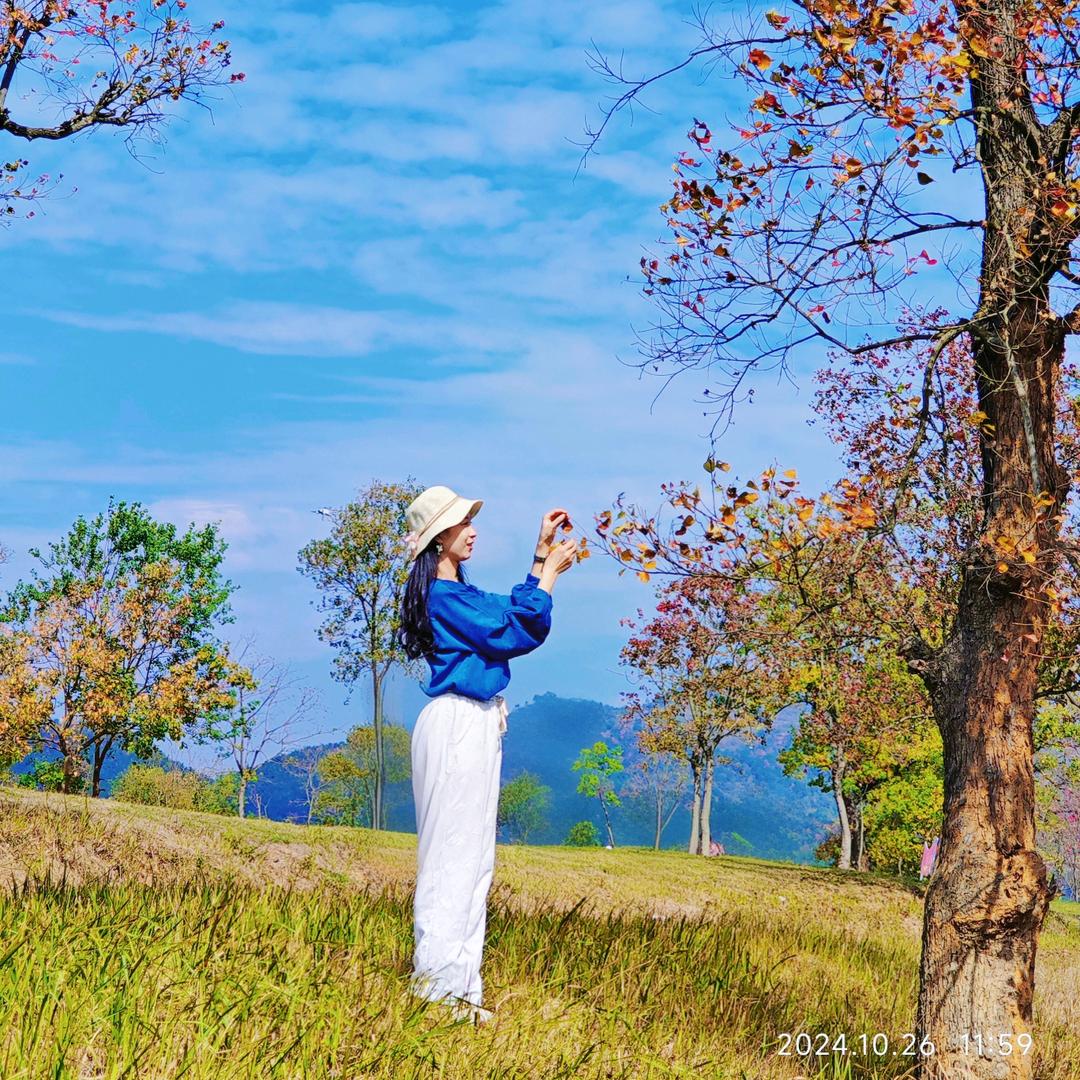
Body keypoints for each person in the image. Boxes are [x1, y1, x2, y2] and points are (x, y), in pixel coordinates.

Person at [397, 485, 577, 1026]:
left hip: (472, 722)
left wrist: (540, 559)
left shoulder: (458, 592)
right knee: (454, 856)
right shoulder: (445, 597)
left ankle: (458, 990)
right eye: (462, 524)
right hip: (458, 724)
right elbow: (512, 633)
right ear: (439, 539)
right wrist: (550, 576)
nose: (472, 531)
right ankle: (438, 991)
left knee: (472, 859)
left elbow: (510, 614)